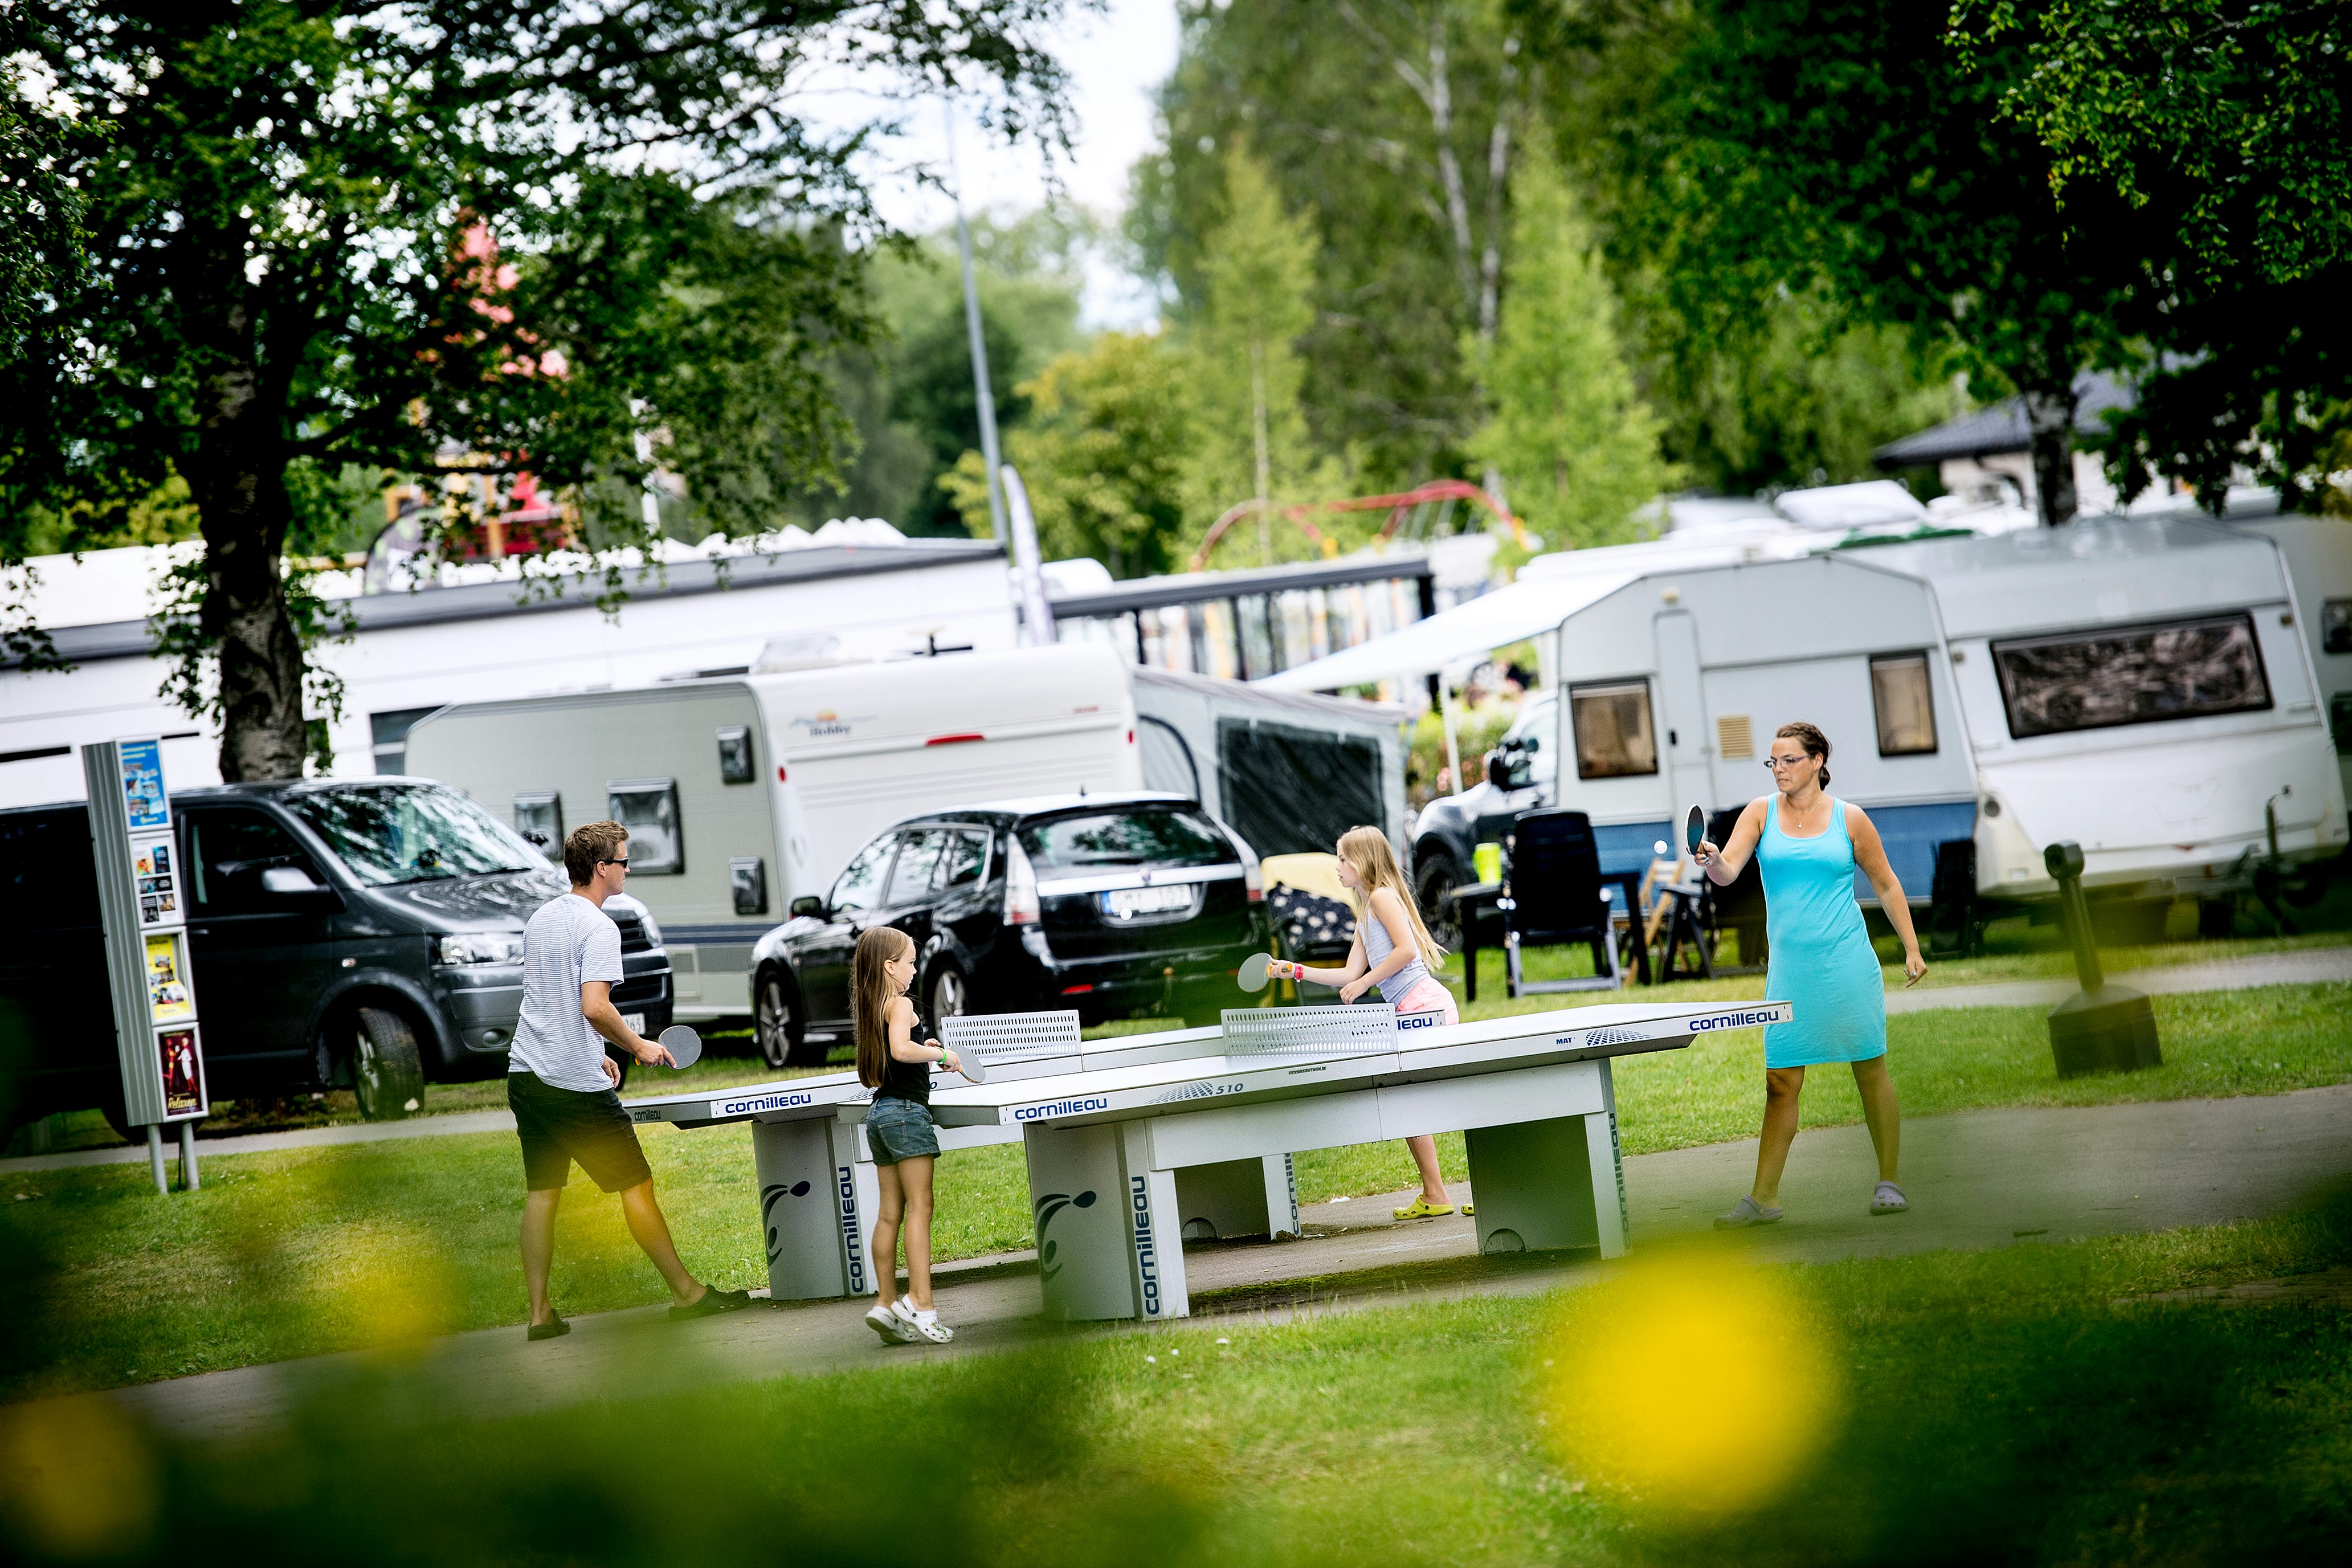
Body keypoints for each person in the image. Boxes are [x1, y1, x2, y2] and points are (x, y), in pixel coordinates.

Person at [510, 820, 751, 1340]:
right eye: (623, 862)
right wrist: (637, 1045)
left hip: (526, 1074)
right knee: (635, 1184)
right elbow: (594, 1006)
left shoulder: (541, 919)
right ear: (602, 869)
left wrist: (595, 1052)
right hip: (568, 1086)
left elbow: (548, 1003)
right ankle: (688, 1294)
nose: (627, 870)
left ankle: (539, 1314)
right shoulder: (600, 927)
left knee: (543, 1193)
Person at [1692, 722, 1926, 1227]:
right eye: (1773, 762)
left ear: (1818, 761)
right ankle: (1763, 1199)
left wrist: (1911, 947)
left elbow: (1885, 884)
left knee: (1870, 1070)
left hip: (1846, 964)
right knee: (1780, 1082)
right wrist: (1710, 860)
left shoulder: (1851, 819)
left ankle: (1890, 1182)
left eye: (1789, 760)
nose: (1779, 769)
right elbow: (1728, 871)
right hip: (1790, 972)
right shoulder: (1759, 814)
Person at [1267, 826, 1472, 1222]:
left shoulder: (1381, 897)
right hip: (1408, 1011)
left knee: (1436, 1100)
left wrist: (1365, 982)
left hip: (1424, 1007)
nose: (1338, 867)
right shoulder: (1365, 913)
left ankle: (1480, 1184)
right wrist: (1294, 970)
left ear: (1362, 863)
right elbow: (1348, 974)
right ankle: (1435, 1194)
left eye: (1343, 859)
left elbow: (1406, 951)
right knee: (1409, 1103)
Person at [855, 925, 964, 1346]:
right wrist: (941, 1053)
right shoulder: (899, 1003)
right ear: (890, 967)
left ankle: (886, 1304)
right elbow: (901, 1050)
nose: (915, 970)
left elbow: (899, 1052)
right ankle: (921, 1304)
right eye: (911, 962)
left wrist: (925, 1045)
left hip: (880, 1114)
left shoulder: (872, 1006)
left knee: (889, 1214)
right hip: (905, 1115)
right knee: (921, 1207)